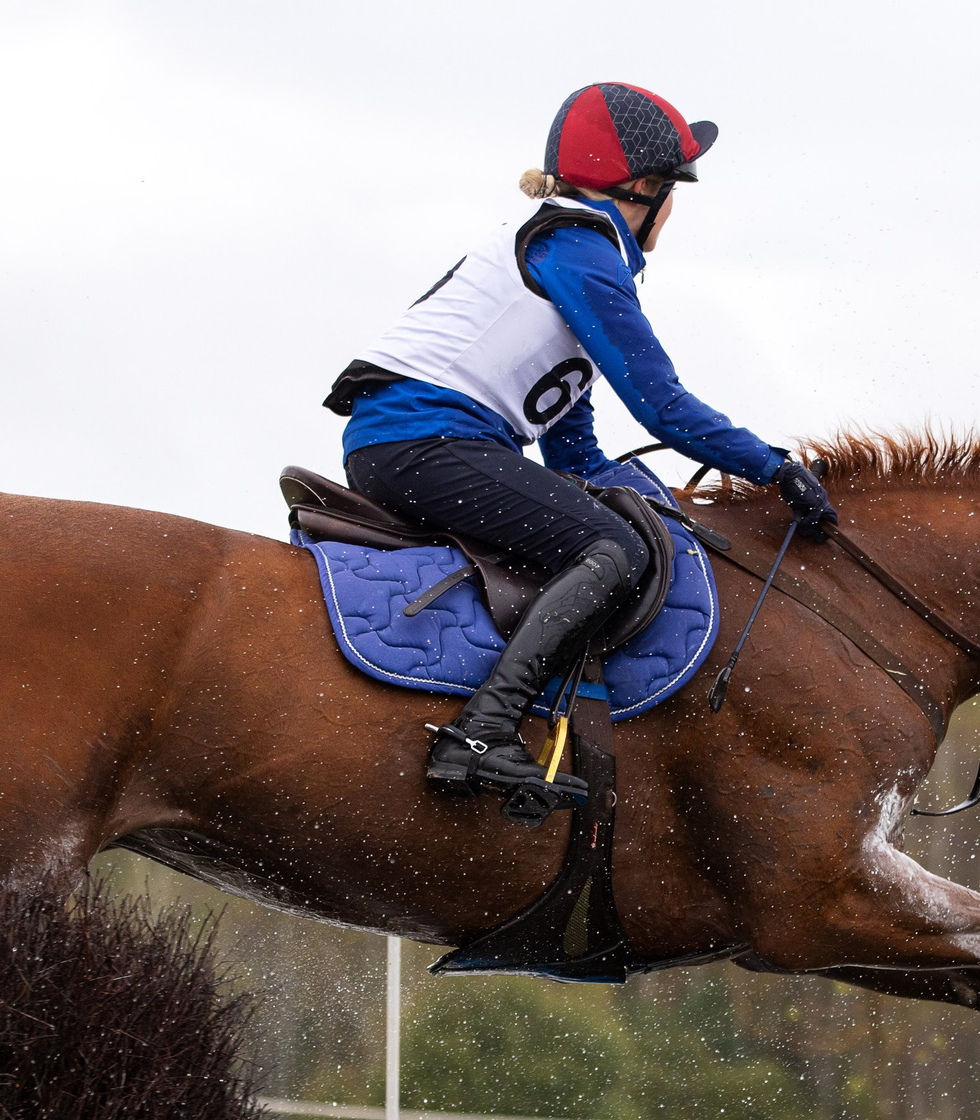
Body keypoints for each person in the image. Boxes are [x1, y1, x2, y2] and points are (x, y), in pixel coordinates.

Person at [325, 82, 838, 812]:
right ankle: (481, 732)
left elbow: (572, 455)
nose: (674, 211)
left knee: (614, 529)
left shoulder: (576, 251)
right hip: (423, 440)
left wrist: (658, 502)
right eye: (673, 193)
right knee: (614, 550)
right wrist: (775, 468)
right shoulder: (580, 249)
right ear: (647, 190)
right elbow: (664, 406)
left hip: (416, 441)